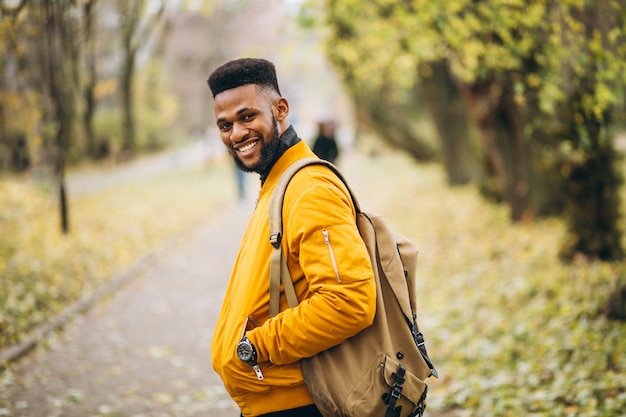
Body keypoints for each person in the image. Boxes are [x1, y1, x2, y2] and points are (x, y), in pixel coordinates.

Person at [207, 58, 376, 417]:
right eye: (225, 125)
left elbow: (349, 300)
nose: (236, 134)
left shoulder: (308, 188)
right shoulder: (276, 181)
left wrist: (255, 346)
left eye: (247, 117)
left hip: (299, 403)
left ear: (280, 109)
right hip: (275, 401)